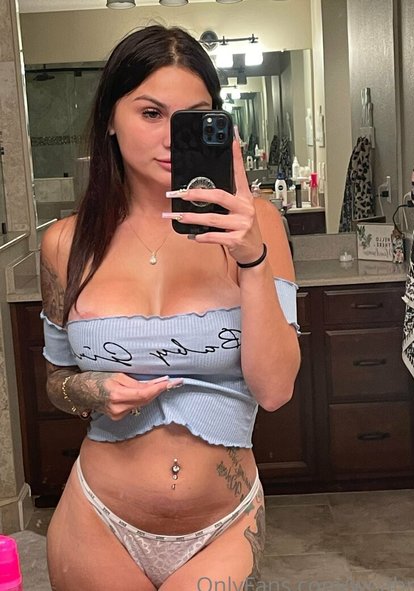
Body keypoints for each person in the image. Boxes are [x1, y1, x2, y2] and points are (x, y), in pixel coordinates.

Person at [40, 24, 300, 591]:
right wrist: (93, 390)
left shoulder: (259, 225)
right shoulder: (65, 243)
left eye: (193, 118)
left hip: (224, 524)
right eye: (151, 113)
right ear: (110, 118)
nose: (169, 138)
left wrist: (252, 258)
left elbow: (276, 389)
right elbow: (56, 382)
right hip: (97, 521)